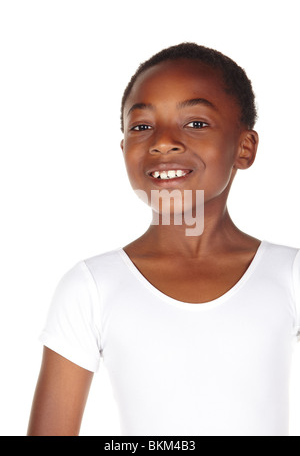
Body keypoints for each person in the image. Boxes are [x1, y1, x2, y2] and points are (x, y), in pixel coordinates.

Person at [27, 42, 300, 436]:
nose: (162, 141)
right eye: (141, 127)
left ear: (244, 147)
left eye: (195, 123)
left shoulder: (290, 275)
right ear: (124, 149)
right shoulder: (90, 288)